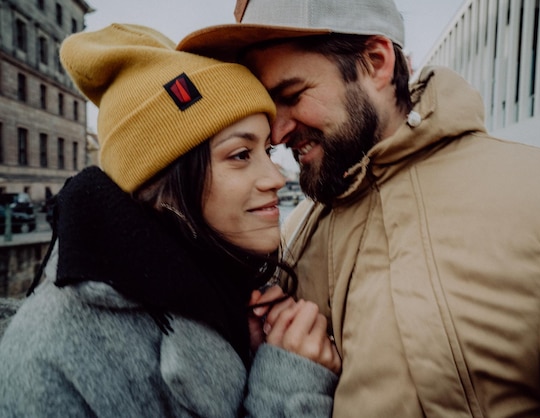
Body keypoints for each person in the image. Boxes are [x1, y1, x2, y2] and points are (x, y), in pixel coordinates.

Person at [176, 0, 540, 417]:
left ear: (376, 63)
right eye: (270, 106)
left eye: (292, 95)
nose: (277, 131)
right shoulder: (297, 229)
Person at [0, 23, 340, 417]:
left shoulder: (226, 293)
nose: (277, 178)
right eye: (240, 155)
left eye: (266, 150)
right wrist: (285, 388)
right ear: (164, 181)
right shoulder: (50, 354)